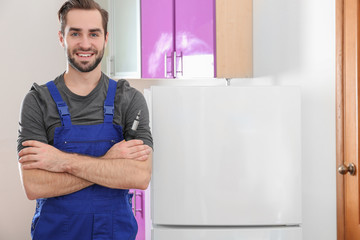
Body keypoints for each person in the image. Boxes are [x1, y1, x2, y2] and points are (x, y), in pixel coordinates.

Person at [17, 0, 153, 239]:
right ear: (62, 38)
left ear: (105, 38)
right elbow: (34, 185)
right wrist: (108, 163)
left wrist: (62, 161)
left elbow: (139, 176)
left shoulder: (129, 100)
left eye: (94, 33)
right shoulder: (38, 101)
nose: (85, 43)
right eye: (75, 33)